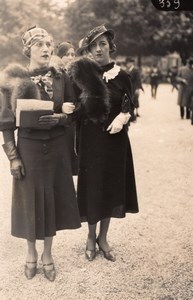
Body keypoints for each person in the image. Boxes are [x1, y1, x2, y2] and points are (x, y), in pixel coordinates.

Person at [0, 26, 81, 281]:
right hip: (29, 148)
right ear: (28, 51)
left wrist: (58, 119)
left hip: (57, 146)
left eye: (49, 45)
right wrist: (13, 156)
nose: (46, 49)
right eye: (40, 45)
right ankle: (31, 253)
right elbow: (5, 122)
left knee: (52, 200)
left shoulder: (61, 77)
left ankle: (48, 254)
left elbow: (73, 114)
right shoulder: (11, 79)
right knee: (29, 202)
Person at [67, 25, 139, 262]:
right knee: (93, 186)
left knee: (110, 186)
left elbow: (130, 104)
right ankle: (90, 236)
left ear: (110, 47)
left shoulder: (122, 76)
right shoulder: (80, 76)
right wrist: (73, 109)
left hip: (115, 140)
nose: (98, 50)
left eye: (103, 44)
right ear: (87, 50)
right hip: (90, 140)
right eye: (93, 46)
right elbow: (74, 110)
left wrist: (123, 116)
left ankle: (103, 237)